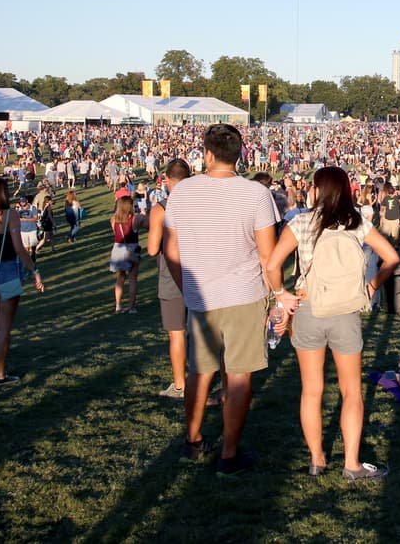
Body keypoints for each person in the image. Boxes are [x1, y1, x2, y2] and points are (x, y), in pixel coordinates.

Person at [265, 165, 400, 481]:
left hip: (309, 306)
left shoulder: (300, 222)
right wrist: (372, 286)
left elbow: (273, 264)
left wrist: (281, 294)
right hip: (346, 311)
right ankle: (351, 463)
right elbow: (392, 257)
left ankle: (317, 458)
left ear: (317, 190)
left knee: (311, 390)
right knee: (352, 391)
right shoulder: (358, 223)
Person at [163, 123, 280, 477]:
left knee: (201, 371)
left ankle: (194, 438)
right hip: (246, 293)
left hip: (202, 295)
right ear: (240, 155)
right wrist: (278, 294)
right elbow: (267, 255)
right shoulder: (256, 195)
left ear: (207, 154)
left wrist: (187, 289)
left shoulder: (182, 192)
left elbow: (171, 251)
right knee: (239, 374)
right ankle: (229, 453)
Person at [0, 177, 46, 386]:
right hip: (7, 272)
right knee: (5, 324)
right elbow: (19, 248)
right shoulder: (9, 215)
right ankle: (0, 374)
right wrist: (35, 271)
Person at [147, 158, 195, 400]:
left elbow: (152, 249)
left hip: (172, 274)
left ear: (166, 179)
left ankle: (180, 385)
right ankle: (202, 377)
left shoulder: (161, 208)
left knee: (176, 333)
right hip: (201, 273)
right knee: (203, 331)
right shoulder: (201, 204)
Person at [109, 195, 145, 314]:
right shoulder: (135, 219)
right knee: (133, 279)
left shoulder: (113, 219)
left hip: (118, 248)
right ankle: (131, 307)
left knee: (120, 279)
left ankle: (118, 305)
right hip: (131, 248)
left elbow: (115, 232)